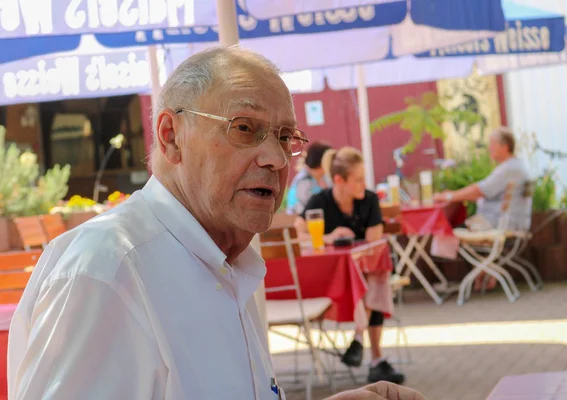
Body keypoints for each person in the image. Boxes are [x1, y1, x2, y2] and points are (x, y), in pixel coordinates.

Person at [7, 47, 426, 400]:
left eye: (285, 137)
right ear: (171, 136)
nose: (277, 159)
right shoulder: (108, 269)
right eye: (244, 129)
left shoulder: (219, 260)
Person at [294, 146, 404, 385]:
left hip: (365, 276)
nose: (364, 184)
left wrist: (349, 239)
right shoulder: (319, 201)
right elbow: (299, 231)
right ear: (338, 180)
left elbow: (375, 241)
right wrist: (329, 237)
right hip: (332, 281)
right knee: (375, 283)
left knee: (374, 280)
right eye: (358, 179)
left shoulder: (370, 200)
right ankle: (376, 360)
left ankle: (359, 340)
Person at [433, 126, 531, 290]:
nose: (489, 148)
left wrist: (450, 196)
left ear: (505, 146)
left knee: (448, 231)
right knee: (458, 229)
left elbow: (480, 190)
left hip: (500, 223)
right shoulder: (514, 166)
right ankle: (484, 272)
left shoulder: (509, 169)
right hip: (509, 221)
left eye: (493, 144)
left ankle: (457, 279)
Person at [286, 141, 332, 215]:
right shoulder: (303, 180)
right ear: (321, 163)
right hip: (297, 221)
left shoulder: (324, 177)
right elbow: (308, 208)